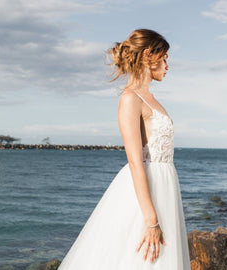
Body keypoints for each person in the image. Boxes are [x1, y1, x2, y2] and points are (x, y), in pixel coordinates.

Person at [58, 29, 191, 269]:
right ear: (149, 55)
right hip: (146, 192)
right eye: (165, 57)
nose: (168, 65)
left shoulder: (151, 97)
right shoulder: (130, 98)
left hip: (165, 186)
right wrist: (151, 219)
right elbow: (134, 160)